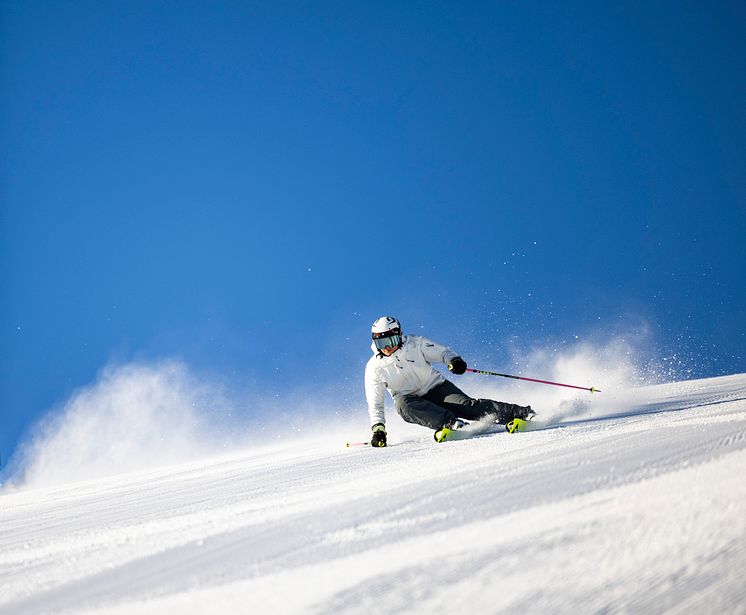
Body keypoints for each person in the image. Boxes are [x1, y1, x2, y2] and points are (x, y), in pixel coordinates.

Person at [364, 316, 535, 447]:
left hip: (436, 388)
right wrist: (378, 428)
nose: (386, 347)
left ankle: (520, 413)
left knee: (469, 407)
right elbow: (375, 403)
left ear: (399, 336)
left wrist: (454, 361)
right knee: (403, 407)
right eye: (381, 342)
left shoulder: (416, 344)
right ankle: (451, 423)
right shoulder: (374, 368)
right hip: (410, 399)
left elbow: (443, 353)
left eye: (390, 340)